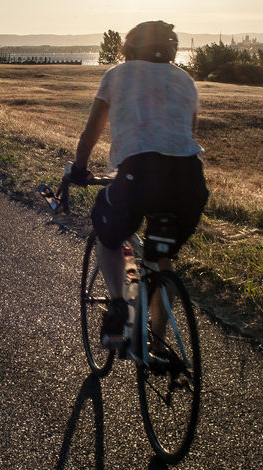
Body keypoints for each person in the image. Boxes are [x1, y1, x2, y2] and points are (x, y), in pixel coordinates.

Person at [69, 20, 209, 351]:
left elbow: (91, 132)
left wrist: (79, 169)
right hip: (189, 181)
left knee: (108, 236)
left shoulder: (117, 75)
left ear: (129, 49)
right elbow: (186, 135)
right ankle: (158, 346)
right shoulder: (186, 81)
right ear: (172, 49)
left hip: (138, 175)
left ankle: (117, 304)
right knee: (162, 259)